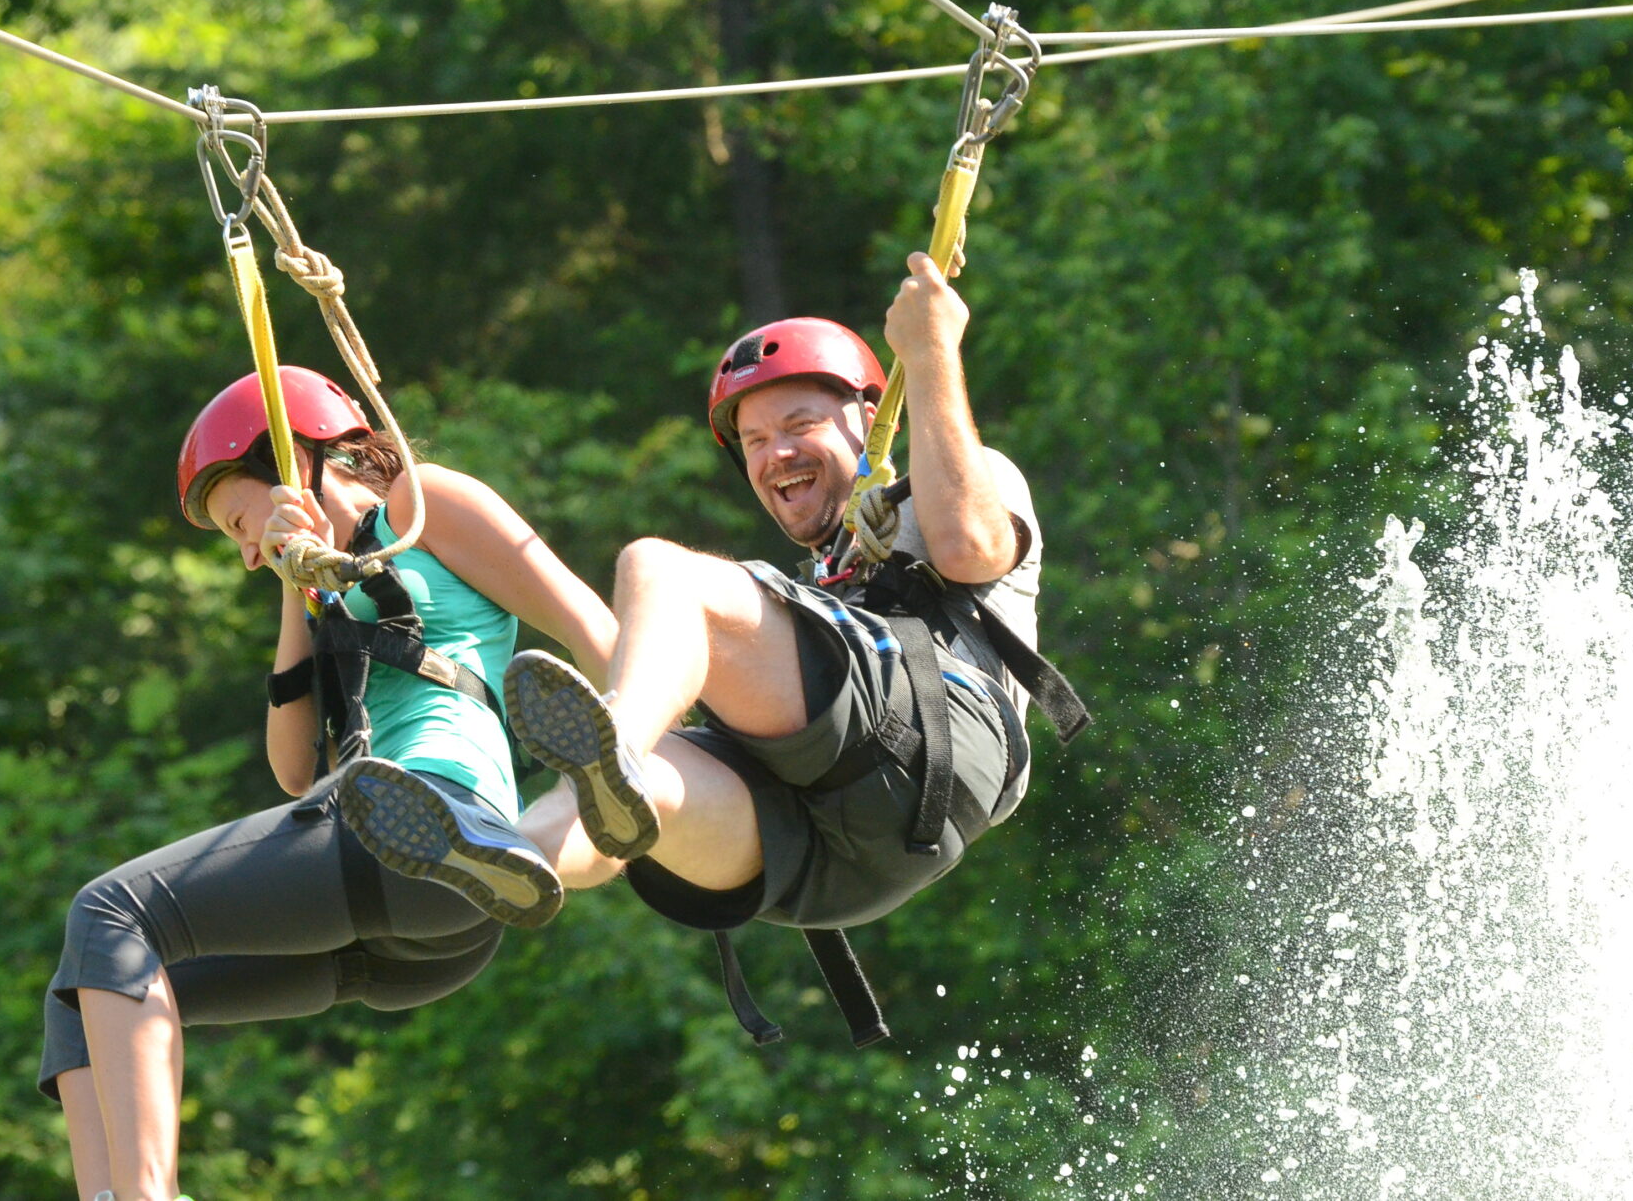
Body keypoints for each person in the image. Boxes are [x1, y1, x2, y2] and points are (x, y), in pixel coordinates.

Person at [344, 251, 1086, 1045]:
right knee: (647, 791)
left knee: (657, 568)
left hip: (939, 743)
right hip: (843, 864)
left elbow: (972, 548)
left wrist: (932, 352)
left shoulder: (953, 484)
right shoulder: (820, 598)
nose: (774, 456)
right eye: (756, 442)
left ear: (872, 423)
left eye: (798, 426)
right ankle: (511, 852)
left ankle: (615, 751)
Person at [39, 366, 613, 1201]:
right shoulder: (318, 589)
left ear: (291, 460)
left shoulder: (426, 506)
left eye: (240, 520)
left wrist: (663, 754)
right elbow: (294, 767)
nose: (242, 551)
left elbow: (590, 626)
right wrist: (291, 584)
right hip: (404, 931)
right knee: (81, 988)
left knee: (111, 911)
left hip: (432, 818)